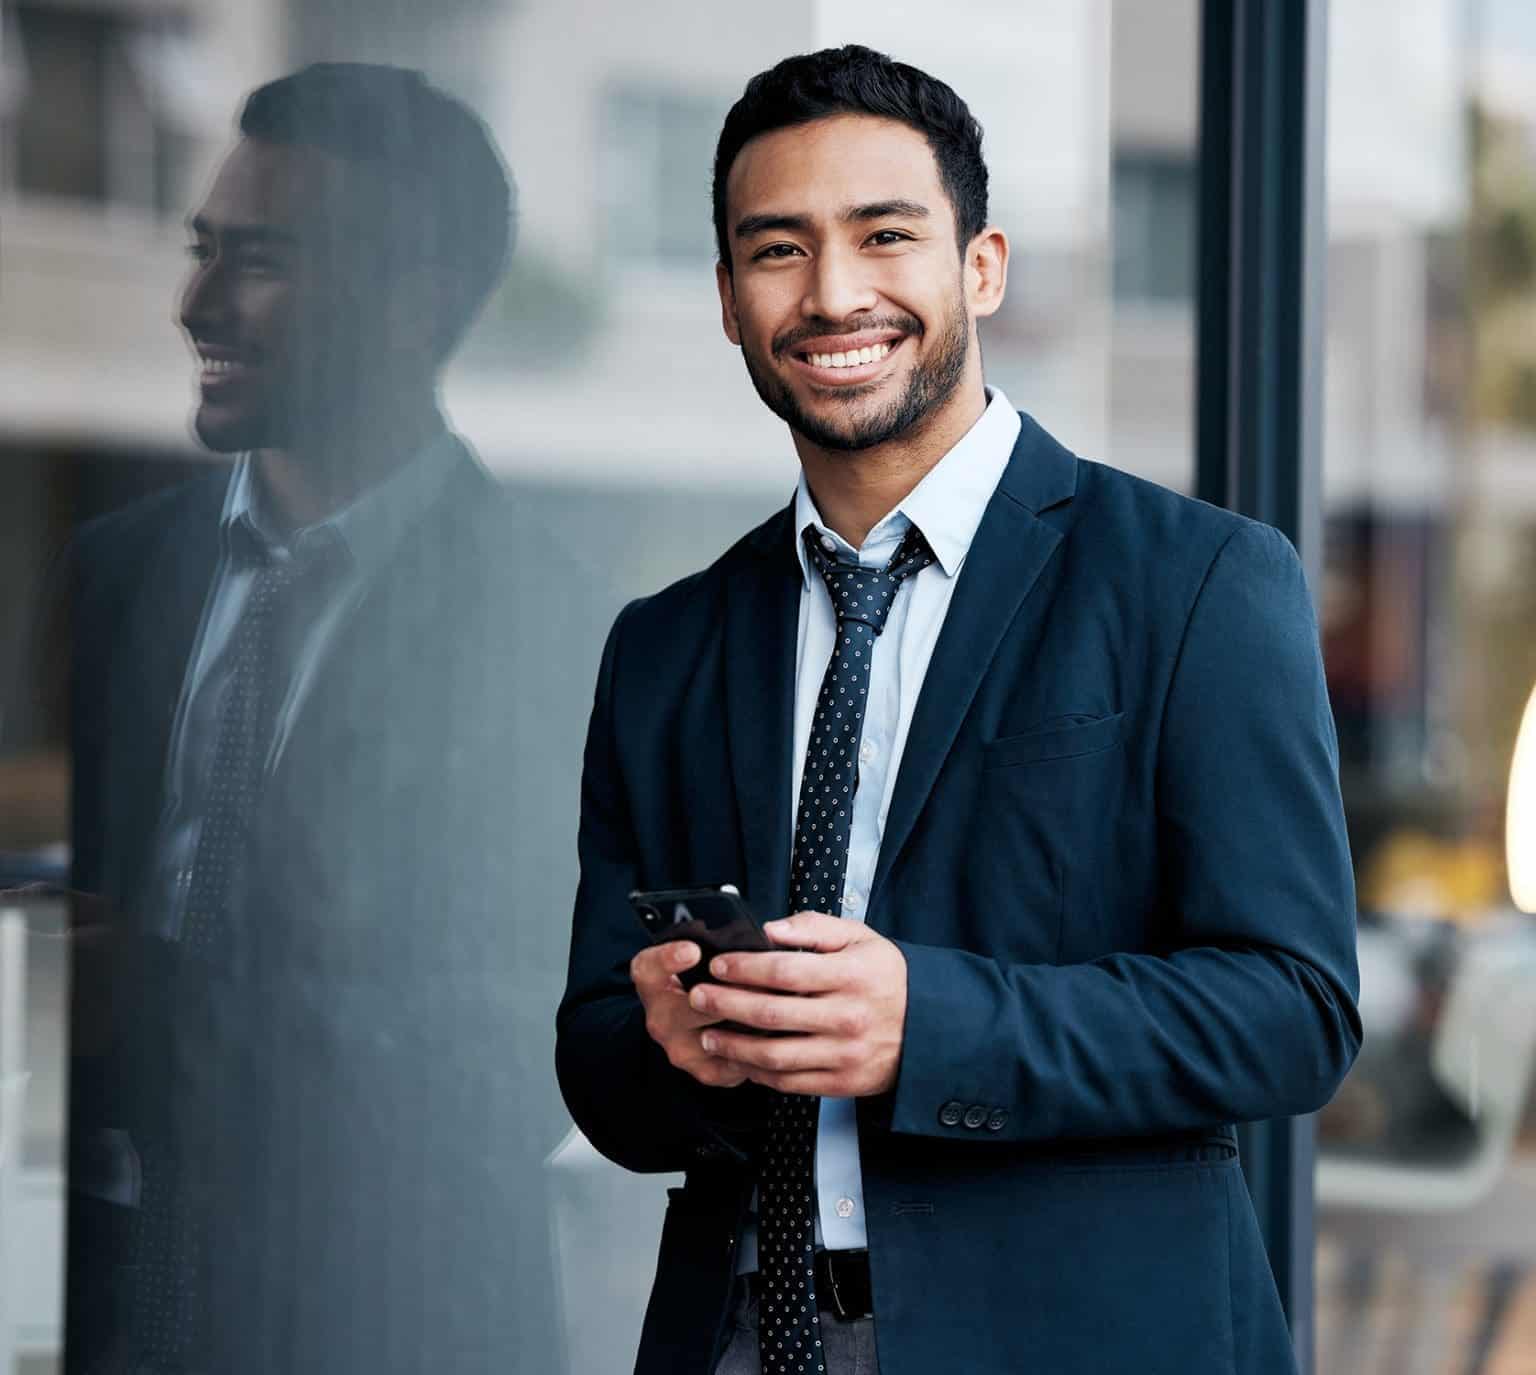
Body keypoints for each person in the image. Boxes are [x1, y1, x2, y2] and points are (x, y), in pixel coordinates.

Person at [557, 45, 1362, 1375]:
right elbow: (597, 1062)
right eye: (777, 250)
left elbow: (1294, 1008)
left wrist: (930, 1025)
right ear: (725, 298)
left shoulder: (1199, 583)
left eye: (885, 236)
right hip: (740, 1340)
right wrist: (669, 1041)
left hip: (1080, 1340)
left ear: (980, 266)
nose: (833, 294)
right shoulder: (665, 647)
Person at [66, 63, 573, 1373]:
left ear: (414, 304)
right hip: (108, 1307)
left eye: (263, 265)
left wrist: (149, 998)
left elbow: (522, 1050)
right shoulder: (113, 574)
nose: (197, 308)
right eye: (203, 254)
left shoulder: (564, 630)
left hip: (394, 1321)